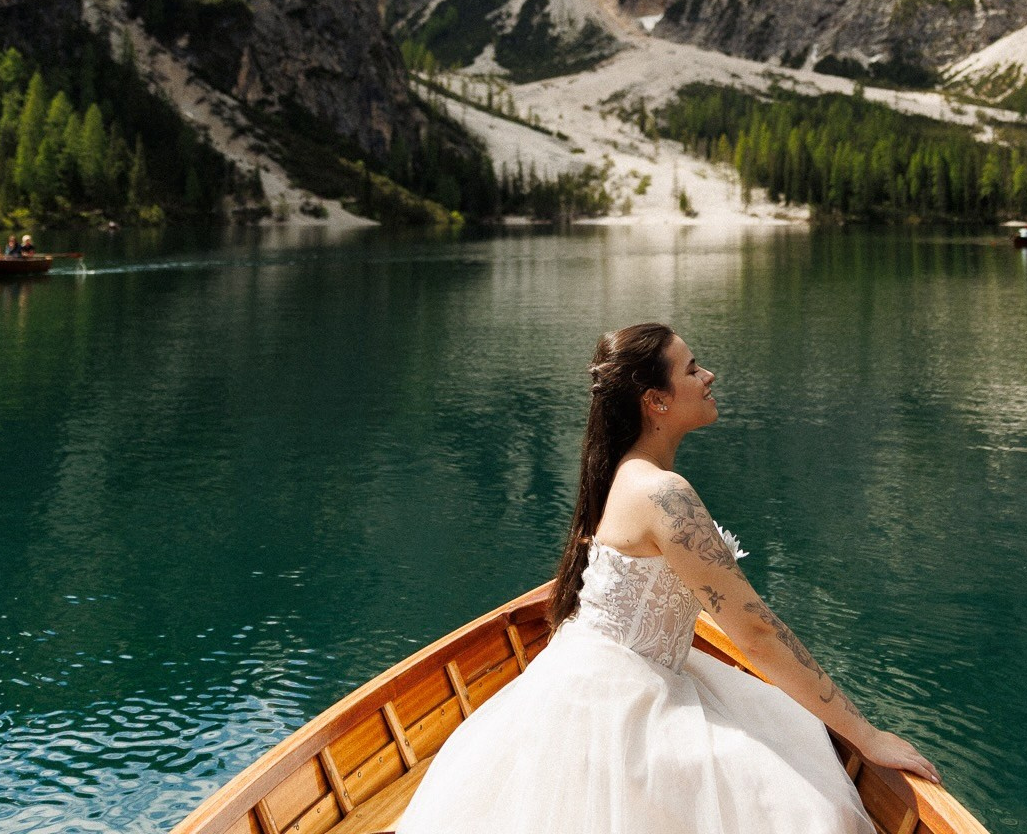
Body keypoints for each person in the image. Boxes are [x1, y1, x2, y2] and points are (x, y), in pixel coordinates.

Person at [397, 322, 937, 833]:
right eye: (693, 369)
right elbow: (757, 634)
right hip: (619, 699)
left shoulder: (622, 472)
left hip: (607, 669)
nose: (709, 377)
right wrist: (866, 736)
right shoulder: (662, 493)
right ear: (655, 401)